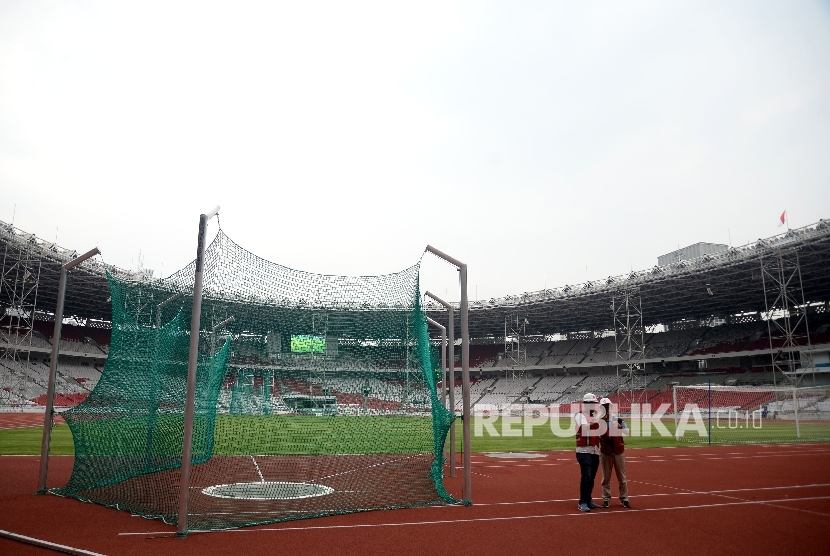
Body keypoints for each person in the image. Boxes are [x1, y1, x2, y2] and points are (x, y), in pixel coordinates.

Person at [599, 397, 631, 508]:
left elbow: (627, 432)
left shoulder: (619, 420)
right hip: (605, 453)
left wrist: (620, 427)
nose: (606, 409)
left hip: (618, 452)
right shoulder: (599, 422)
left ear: (611, 408)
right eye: (604, 407)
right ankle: (606, 499)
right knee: (606, 478)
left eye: (608, 407)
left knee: (622, 478)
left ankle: (624, 499)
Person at [574, 392, 603, 512]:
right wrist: (599, 421)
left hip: (594, 450)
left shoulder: (595, 416)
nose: (594, 405)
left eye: (594, 403)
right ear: (585, 404)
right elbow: (585, 428)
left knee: (591, 478)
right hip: (584, 450)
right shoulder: (580, 415)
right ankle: (583, 501)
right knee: (586, 477)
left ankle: (588, 499)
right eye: (592, 403)